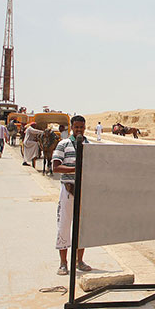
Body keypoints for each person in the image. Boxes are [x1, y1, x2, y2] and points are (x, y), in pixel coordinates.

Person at [51, 115, 92, 275]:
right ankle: (63, 263)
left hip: (85, 190)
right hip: (68, 190)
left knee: (82, 228)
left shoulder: (88, 145)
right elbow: (56, 167)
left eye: (81, 127)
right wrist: (75, 169)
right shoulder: (63, 144)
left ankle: (79, 261)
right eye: (76, 127)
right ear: (71, 127)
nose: (79, 130)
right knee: (64, 226)